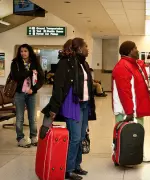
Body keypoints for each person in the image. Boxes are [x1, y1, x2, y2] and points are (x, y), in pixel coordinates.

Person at [42, 38, 96, 180]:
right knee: (75, 138)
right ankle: (69, 169)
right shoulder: (65, 63)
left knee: (82, 137)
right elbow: (58, 87)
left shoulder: (84, 63)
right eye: (85, 46)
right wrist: (53, 107)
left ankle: (77, 165)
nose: (87, 49)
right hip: (72, 104)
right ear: (78, 48)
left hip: (84, 104)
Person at [112, 41, 150, 162]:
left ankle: (137, 154)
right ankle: (120, 156)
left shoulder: (135, 65)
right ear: (129, 51)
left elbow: (147, 73)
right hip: (126, 110)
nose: (137, 50)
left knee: (136, 133)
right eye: (135, 48)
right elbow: (124, 92)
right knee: (123, 134)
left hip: (136, 107)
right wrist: (129, 111)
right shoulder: (122, 66)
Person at [11, 44, 44, 148]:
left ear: (29, 52)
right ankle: (20, 138)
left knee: (32, 117)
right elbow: (16, 76)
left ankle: (33, 137)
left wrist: (33, 89)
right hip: (19, 93)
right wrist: (29, 72)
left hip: (31, 93)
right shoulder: (15, 63)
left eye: (25, 51)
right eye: (21, 51)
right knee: (19, 117)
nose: (23, 53)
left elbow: (42, 78)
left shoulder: (35, 63)